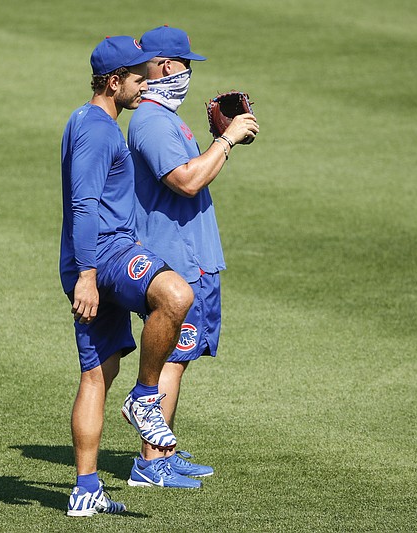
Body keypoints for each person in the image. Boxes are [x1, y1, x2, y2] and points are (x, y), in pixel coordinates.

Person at [59, 35, 196, 517]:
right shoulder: (99, 130)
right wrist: (88, 275)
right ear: (114, 82)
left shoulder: (85, 119)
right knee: (176, 296)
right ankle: (144, 398)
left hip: (90, 261)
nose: (145, 87)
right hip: (106, 256)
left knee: (97, 375)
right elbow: (83, 204)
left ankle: (86, 489)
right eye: (138, 80)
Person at [126, 26, 259, 487]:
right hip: (175, 262)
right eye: (185, 65)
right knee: (170, 361)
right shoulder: (152, 121)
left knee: (178, 360)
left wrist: (218, 145)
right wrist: (226, 141)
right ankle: (151, 462)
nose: (187, 73)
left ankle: (164, 450)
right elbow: (185, 180)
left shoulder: (166, 117)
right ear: (166, 66)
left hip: (192, 257)